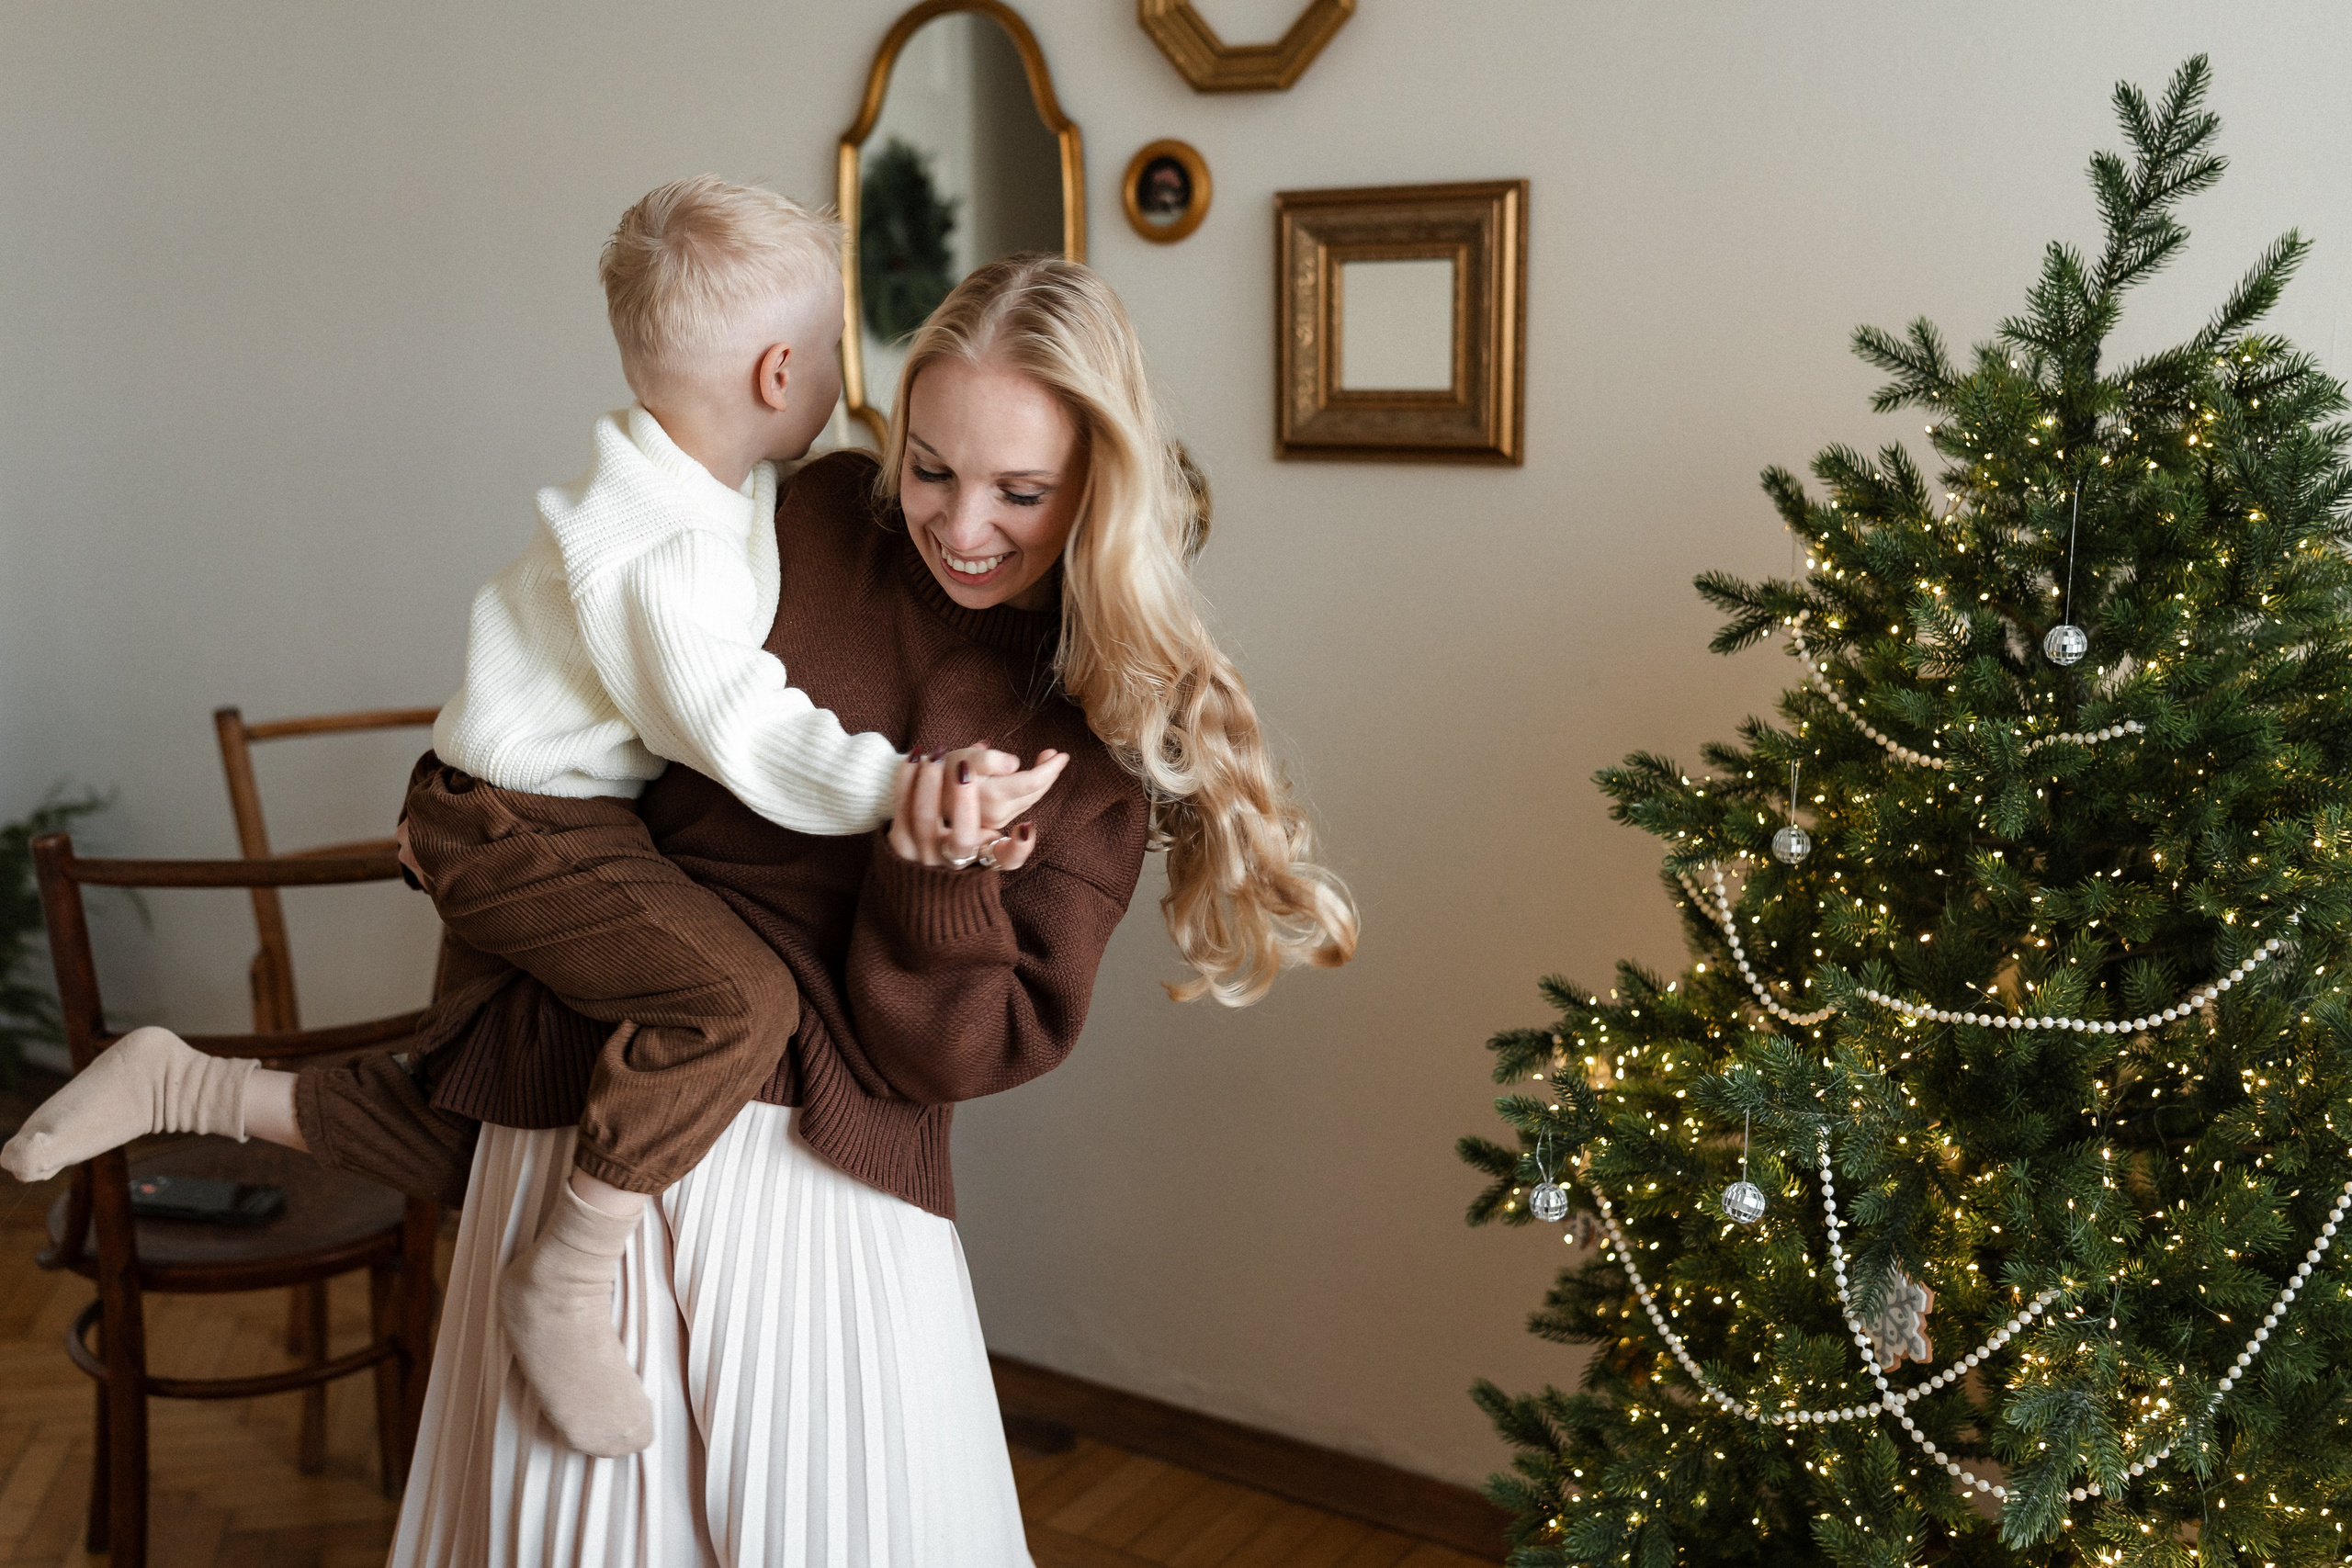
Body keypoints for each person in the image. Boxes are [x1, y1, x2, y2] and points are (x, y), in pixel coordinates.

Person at [17, 254, 1358, 1566]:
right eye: (929, 468)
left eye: (1021, 492)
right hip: (578, 1138)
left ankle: (196, 1088)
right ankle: (197, 1090)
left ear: (1101, 488)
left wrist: (933, 880)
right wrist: (471, 828)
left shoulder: (1095, 742)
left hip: (820, 1198)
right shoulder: (805, 514)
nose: (959, 527)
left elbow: (953, 1055)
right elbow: (583, 706)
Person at [0, 175, 1061, 1458]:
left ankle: (188, 1082)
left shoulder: (711, 489)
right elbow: (743, 728)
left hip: (536, 811)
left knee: (478, 1109)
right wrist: (905, 789)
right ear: (782, 372)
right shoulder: (663, 548)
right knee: (737, 1006)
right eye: (838, 352)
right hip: (524, 821)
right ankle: (562, 1280)